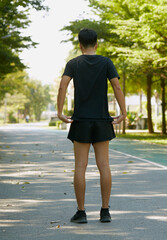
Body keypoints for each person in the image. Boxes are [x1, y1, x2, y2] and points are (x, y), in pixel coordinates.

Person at [57, 28, 126, 224]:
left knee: (80, 166)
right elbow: (117, 86)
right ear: (96, 44)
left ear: (80, 45)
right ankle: (105, 211)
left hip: (81, 121)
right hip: (102, 121)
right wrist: (123, 112)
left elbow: (63, 85)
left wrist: (60, 112)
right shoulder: (106, 62)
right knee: (104, 165)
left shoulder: (73, 63)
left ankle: (81, 212)